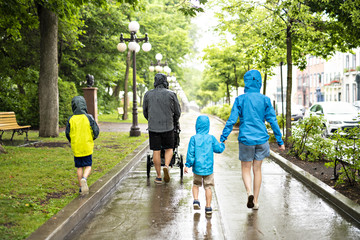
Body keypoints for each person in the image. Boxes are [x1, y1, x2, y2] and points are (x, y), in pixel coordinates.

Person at [220, 69, 285, 210]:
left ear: (246, 82)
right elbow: (273, 121)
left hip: (246, 139)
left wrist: (223, 137)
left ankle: (248, 192)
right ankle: (255, 201)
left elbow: (231, 120)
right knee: (258, 170)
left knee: (245, 168)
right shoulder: (265, 100)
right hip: (262, 139)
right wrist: (280, 141)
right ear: (259, 82)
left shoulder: (240, 99)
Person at [143, 73, 181, 184]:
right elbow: (178, 112)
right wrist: (174, 121)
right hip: (168, 126)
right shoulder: (172, 94)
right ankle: (166, 166)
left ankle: (159, 176)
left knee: (156, 150)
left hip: (153, 127)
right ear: (165, 81)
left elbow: (145, 111)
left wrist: (151, 120)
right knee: (169, 148)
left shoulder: (148, 94)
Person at [184, 115, 225, 216]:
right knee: (208, 187)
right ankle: (208, 207)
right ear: (208, 126)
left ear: (197, 126)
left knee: (196, 184)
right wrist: (222, 143)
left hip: (197, 168)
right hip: (208, 169)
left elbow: (191, 153)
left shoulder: (194, 138)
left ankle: (196, 200)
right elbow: (218, 149)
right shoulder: (211, 138)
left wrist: (187, 165)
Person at [66, 96, 99, 195]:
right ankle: (84, 178)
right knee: (88, 165)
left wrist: (72, 140)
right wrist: (91, 138)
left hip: (77, 147)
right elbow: (96, 131)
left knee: (79, 167)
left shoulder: (71, 119)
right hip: (87, 146)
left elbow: (68, 133)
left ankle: (81, 187)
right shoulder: (88, 117)